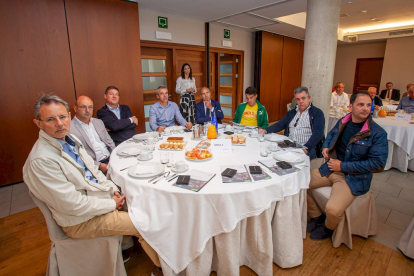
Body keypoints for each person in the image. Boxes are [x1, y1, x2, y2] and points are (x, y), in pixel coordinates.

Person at [23, 94, 163, 276]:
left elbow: (94, 172)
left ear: (68, 116)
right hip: (81, 220)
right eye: (50, 119)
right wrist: (111, 203)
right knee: (145, 223)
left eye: (62, 117)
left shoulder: (70, 141)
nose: (59, 123)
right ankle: (162, 269)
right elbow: (72, 204)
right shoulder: (42, 160)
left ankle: (125, 245)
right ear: (38, 123)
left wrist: (111, 189)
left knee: (141, 201)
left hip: (97, 201)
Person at [307, 91, 388, 241]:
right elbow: (331, 134)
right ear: (350, 106)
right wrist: (326, 146)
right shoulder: (344, 120)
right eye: (361, 104)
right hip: (331, 169)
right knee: (299, 182)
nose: (365, 108)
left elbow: (378, 164)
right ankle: (316, 216)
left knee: (333, 210)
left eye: (368, 105)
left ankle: (328, 228)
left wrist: (342, 166)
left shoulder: (377, 133)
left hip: (352, 178)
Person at [259, 86, 325, 160]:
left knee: (294, 161)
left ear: (308, 97)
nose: (301, 101)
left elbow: (318, 133)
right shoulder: (292, 113)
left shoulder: (317, 113)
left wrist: (306, 148)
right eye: (298, 99)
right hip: (288, 144)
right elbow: (280, 124)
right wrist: (265, 130)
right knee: (269, 152)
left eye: (303, 98)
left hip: (307, 147)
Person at [70, 96, 115, 174]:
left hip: (112, 158)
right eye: (83, 107)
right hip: (95, 165)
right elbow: (76, 155)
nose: (87, 110)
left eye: (90, 107)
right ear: (75, 108)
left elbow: (109, 141)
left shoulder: (98, 122)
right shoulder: (70, 129)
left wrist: (115, 155)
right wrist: (99, 165)